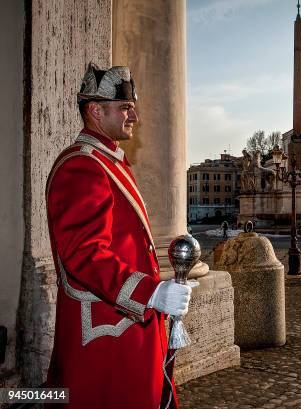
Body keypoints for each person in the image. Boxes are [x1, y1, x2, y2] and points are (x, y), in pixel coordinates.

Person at [45, 63, 197, 408]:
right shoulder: (82, 166)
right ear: (95, 110)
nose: (135, 117)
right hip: (106, 331)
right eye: (125, 107)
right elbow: (84, 254)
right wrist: (152, 292)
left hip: (124, 324)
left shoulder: (107, 161)